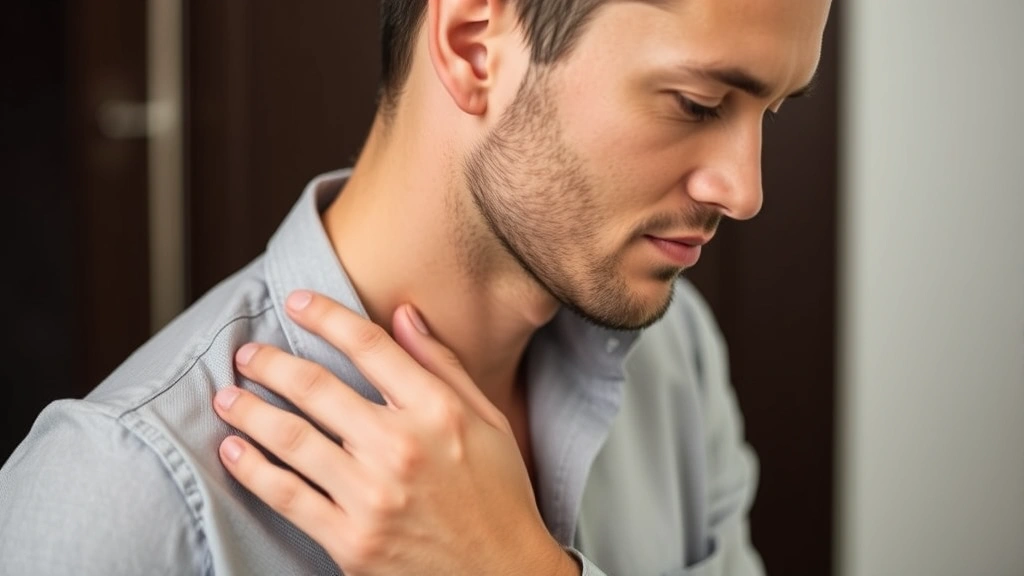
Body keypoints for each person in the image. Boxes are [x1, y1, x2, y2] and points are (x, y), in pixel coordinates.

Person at [0, 0, 830, 573]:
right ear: (474, 46)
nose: (745, 189)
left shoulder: (675, 355)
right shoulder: (117, 496)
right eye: (698, 103)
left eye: (774, 111)